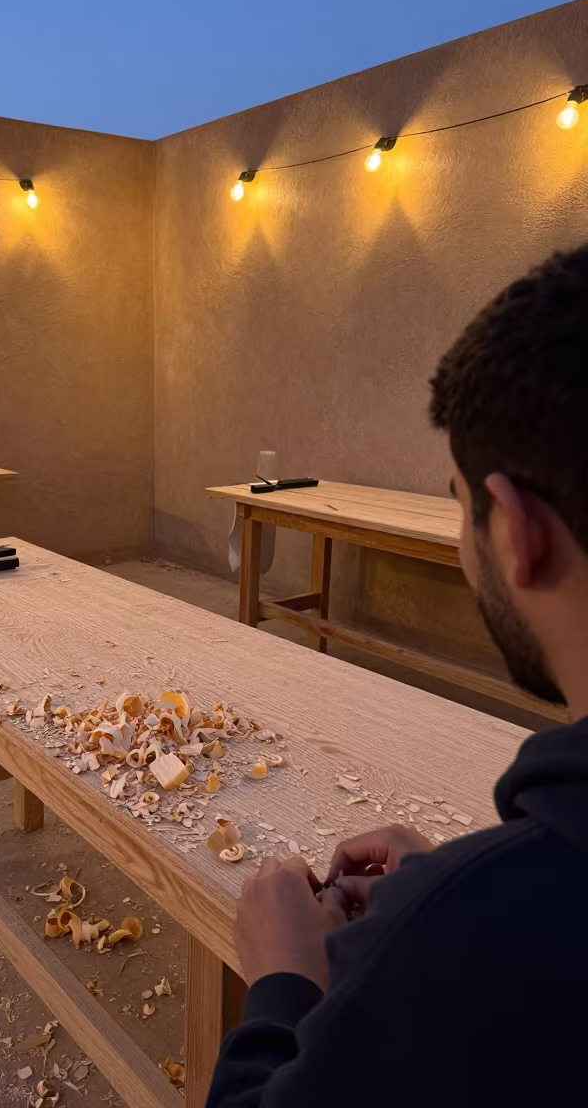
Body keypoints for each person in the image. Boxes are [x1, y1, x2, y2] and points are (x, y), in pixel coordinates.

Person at [206, 243, 588, 1107]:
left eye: (461, 505)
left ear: (517, 531)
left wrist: (282, 984)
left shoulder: (452, 947)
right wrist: (457, 886)